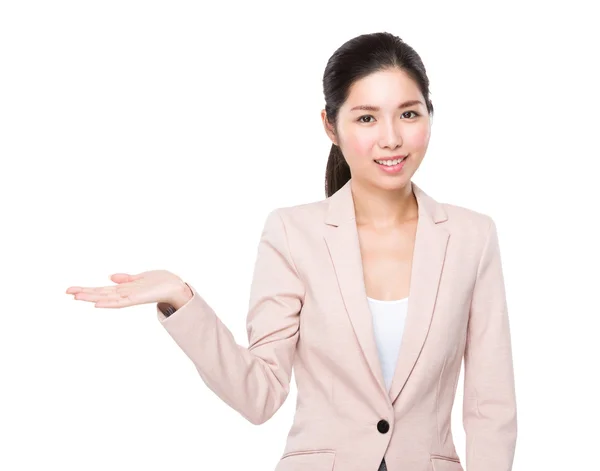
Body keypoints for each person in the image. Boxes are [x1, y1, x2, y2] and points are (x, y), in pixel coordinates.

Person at [66, 32, 517, 471]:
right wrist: (180, 298)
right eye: (366, 118)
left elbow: (490, 407)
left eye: (409, 114)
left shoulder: (471, 237)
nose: (391, 138)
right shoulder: (292, 233)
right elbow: (260, 395)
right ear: (330, 125)